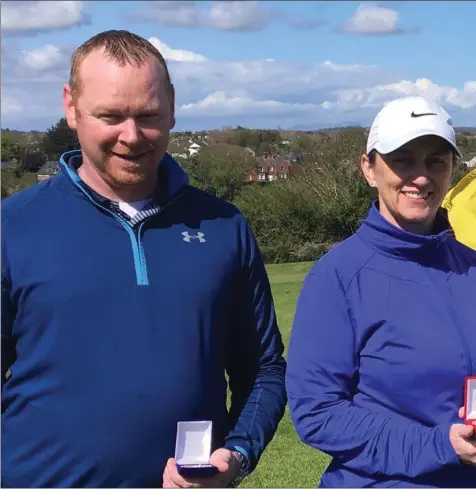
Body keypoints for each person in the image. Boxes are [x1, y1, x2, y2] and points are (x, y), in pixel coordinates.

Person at [1, 30, 286, 488]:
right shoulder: (12, 226)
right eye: (110, 116)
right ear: (71, 107)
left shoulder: (223, 226)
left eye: (149, 116)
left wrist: (237, 455)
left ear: (172, 106)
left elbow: (264, 370)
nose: (131, 137)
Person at [286, 96, 476, 488]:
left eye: (436, 161)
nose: (421, 177)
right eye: (403, 159)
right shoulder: (337, 277)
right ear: (369, 169)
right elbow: (318, 413)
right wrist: (437, 445)